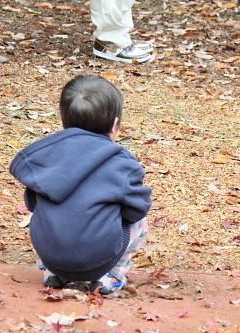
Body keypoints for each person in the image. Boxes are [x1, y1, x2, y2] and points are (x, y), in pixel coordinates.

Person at [10, 76, 152, 294]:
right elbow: (137, 208)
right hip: (98, 258)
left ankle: (53, 273)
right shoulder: (122, 163)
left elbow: (32, 202)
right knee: (139, 222)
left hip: (51, 254)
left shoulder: (47, 156)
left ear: (64, 119)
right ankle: (111, 274)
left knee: (41, 214)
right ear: (115, 125)